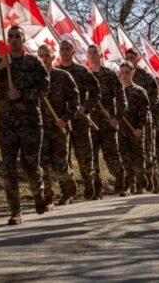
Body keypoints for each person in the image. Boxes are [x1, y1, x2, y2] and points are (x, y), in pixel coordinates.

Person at [0, 26, 50, 225]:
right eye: (10, 37)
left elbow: (44, 88)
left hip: (30, 123)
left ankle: (38, 192)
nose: (13, 39)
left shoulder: (34, 62)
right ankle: (15, 211)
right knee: (8, 168)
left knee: (30, 165)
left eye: (17, 36)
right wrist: (0, 68)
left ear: (23, 39)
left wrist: (22, 94)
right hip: (7, 124)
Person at [37, 45, 79, 209]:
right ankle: (48, 198)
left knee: (60, 164)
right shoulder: (34, 79)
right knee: (43, 164)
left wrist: (65, 118)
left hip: (59, 127)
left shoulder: (63, 76)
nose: (44, 59)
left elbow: (75, 102)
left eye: (47, 55)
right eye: (40, 56)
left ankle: (69, 179)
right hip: (40, 128)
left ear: (53, 57)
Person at [58, 40, 101, 201]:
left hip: (80, 119)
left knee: (84, 155)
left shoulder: (82, 71)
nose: (65, 51)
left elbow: (96, 92)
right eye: (62, 49)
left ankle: (88, 181)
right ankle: (67, 191)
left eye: (67, 49)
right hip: (62, 120)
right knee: (62, 156)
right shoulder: (55, 72)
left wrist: (86, 107)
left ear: (73, 51)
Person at [85, 43, 127, 197]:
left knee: (111, 156)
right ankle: (97, 188)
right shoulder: (85, 75)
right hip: (90, 121)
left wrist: (117, 118)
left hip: (107, 121)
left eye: (95, 52)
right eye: (90, 52)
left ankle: (121, 178)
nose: (92, 55)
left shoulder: (109, 75)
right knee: (92, 156)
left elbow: (122, 98)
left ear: (101, 55)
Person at [125, 48, 159, 192]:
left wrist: (144, 110)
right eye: (127, 57)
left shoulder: (147, 77)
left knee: (146, 151)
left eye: (132, 57)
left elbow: (155, 98)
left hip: (144, 120)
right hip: (127, 120)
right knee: (129, 152)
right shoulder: (123, 75)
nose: (129, 59)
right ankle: (133, 184)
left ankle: (150, 174)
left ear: (138, 59)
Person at [118, 61, 149, 194]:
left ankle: (140, 178)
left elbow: (144, 112)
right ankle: (128, 186)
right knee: (124, 159)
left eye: (127, 73)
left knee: (138, 160)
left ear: (132, 73)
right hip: (120, 131)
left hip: (135, 130)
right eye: (122, 73)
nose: (124, 76)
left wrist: (140, 128)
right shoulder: (117, 91)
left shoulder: (139, 91)